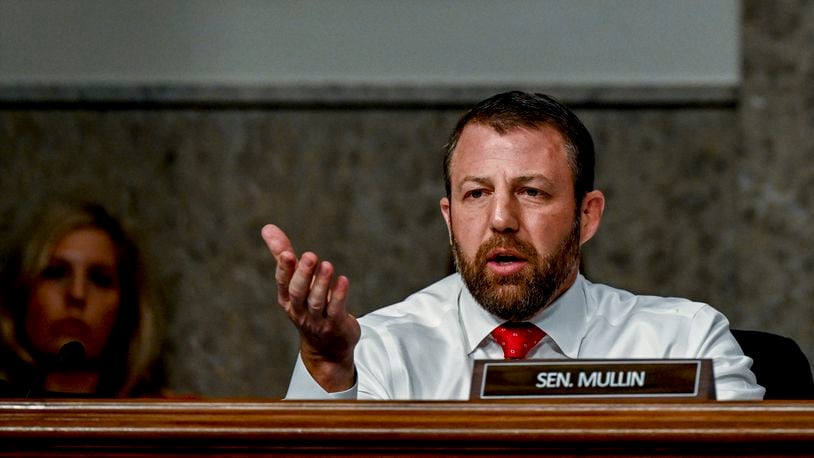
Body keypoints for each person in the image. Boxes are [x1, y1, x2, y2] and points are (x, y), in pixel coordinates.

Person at [262, 91, 764, 401]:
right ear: (449, 217)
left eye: (532, 192)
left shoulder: (684, 343)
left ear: (587, 216)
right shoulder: (378, 351)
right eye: (476, 194)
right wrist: (326, 369)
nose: (501, 219)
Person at [0, 202, 163, 397]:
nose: (77, 294)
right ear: (20, 290)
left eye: (99, 279)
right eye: (56, 273)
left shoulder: (174, 419)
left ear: (127, 307)